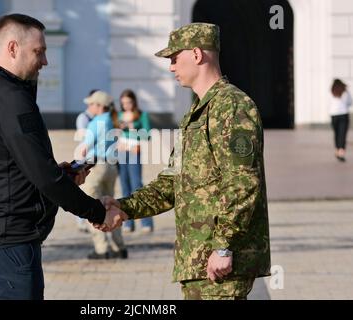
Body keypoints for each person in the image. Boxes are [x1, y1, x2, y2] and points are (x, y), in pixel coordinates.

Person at [0, 14, 125, 300]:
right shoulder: (10, 98)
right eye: (39, 51)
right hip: (10, 243)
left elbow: (9, 170)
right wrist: (97, 212)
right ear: (12, 48)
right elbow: (43, 176)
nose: (45, 61)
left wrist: (66, 176)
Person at [99, 23, 270, 300]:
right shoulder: (195, 112)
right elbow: (171, 180)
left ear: (197, 54)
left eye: (174, 58)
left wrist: (224, 247)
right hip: (198, 261)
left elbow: (242, 182)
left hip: (222, 266)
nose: (171, 67)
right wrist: (125, 207)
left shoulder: (232, 106)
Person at [79, 90, 127, 260]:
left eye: (91, 103)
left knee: (91, 206)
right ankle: (119, 245)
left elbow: (84, 147)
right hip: (111, 166)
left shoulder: (96, 122)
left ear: (99, 106)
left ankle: (101, 248)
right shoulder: (112, 121)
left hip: (96, 166)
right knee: (111, 206)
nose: (89, 106)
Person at [117, 89, 153, 233]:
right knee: (124, 187)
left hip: (133, 152)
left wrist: (133, 128)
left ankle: (146, 222)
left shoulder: (141, 115)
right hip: (121, 153)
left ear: (134, 102)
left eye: (129, 102)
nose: (126, 105)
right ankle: (127, 222)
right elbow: (111, 133)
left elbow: (147, 135)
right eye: (123, 103)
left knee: (137, 186)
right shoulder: (118, 115)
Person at [74, 89, 99, 233]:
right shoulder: (83, 117)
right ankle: (81, 221)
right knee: (83, 187)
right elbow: (86, 138)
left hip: (96, 158)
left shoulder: (99, 118)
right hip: (86, 157)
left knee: (93, 189)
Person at [329, 79, 352, 162]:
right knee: (342, 133)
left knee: (336, 133)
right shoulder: (345, 91)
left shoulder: (332, 91)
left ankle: (337, 149)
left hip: (333, 114)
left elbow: (329, 103)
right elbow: (350, 102)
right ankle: (341, 151)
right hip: (343, 114)